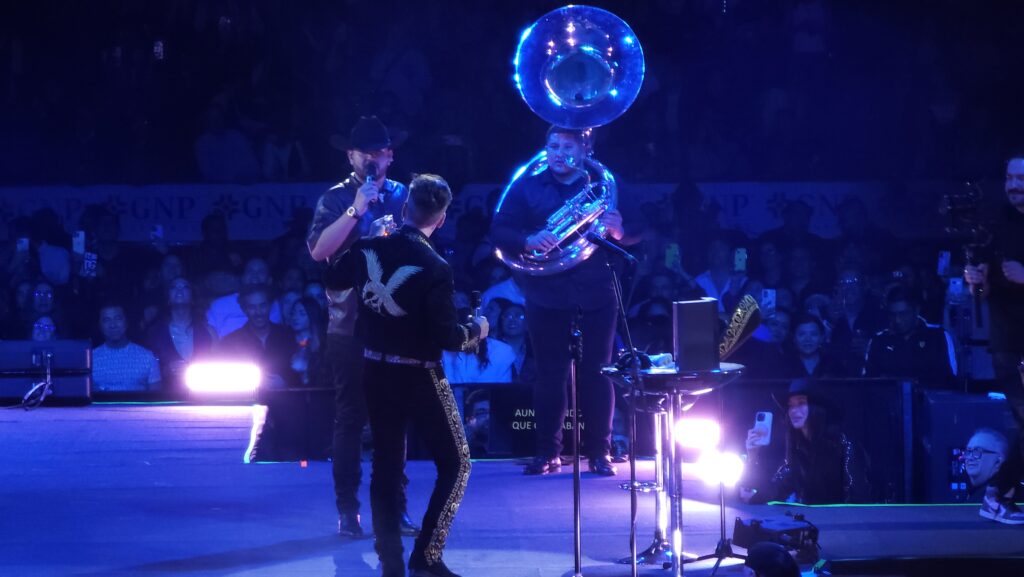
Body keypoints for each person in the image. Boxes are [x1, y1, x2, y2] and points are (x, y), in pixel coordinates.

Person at [324, 174, 488, 577]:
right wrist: (478, 331)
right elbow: (449, 337)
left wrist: (370, 238)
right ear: (442, 217)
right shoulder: (436, 266)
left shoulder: (368, 248)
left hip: (374, 371)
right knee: (457, 463)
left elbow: (332, 277)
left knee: (385, 464)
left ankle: (391, 562)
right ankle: (427, 556)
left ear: (404, 209)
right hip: (420, 377)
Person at [490, 125, 628, 477]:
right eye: (552, 145)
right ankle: (546, 453)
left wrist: (620, 230)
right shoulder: (528, 185)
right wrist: (529, 238)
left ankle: (600, 452)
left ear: (585, 151)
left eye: (567, 146)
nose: (557, 152)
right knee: (549, 375)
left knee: (600, 372)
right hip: (545, 291)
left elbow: (641, 229)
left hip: (596, 290)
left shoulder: (605, 186)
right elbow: (499, 230)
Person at [307, 116, 416, 538]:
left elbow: (420, 248)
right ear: (351, 156)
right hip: (349, 324)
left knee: (393, 419)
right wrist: (357, 209)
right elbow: (319, 251)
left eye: (379, 152)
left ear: (390, 155)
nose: (371, 159)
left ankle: (394, 508)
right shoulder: (335, 199)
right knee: (351, 417)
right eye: (363, 153)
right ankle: (348, 511)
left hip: (394, 324)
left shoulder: (405, 195)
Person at [964, 153, 1024, 516]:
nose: (1015, 186)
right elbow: (981, 292)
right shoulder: (994, 227)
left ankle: (999, 493)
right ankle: (998, 494)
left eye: (1022, 179)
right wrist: (976, 283)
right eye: (1010, 179)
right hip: (1009, 342)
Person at [741, 379, 870, 504]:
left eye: (801, 403)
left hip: (842, 522)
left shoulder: (844, 445)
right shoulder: (798, 449)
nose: (794, 411)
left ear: (816, 408)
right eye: (791, 406)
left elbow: (857, 497)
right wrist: (752, 456)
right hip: (813, 522)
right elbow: (775, 491)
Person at [862, 286, 956, 387]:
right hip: (890, 402)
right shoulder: (879, 341)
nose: (898, 320)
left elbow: (950, 381)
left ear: (916, 310)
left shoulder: (937, 337)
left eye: (903, 314)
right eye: (893, 315)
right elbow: (868, 383)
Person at [92, 304, 162, 393]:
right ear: (100, 326)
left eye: (118, 318)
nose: (113, 325)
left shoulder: (147, 357)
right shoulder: (91, 359)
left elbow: (157, 401)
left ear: (126, 322)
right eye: (106, 320)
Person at [964, 428, 1023, 525]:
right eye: (968, 451)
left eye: (977, 451)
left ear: (998, 461)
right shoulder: (971, 496)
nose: (970, 457)